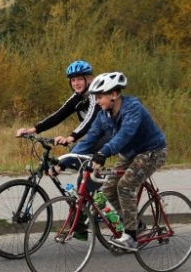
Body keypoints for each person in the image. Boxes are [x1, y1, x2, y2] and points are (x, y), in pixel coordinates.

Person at [68, 72, 167, 252]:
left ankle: (131, 238)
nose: (97, 102)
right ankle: (134, 223)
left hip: (152, 151)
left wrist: (103, 153)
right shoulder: (104, 115)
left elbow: (125, 134)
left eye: (100, 97)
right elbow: (91, 138)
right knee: (107, 190)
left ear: (113, 94)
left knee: (125, 185)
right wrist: (66, 160)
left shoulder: (133, 108)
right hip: (130, 154)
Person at [16, 59, 100, 165]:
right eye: (73, 80)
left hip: (110, 133)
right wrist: (32, 130)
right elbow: (58, 116)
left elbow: (90, 118)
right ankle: (93, 174)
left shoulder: (96, 95)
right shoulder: (77, 97)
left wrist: (71, 137)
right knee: (76, 155)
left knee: (75, 154)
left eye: (80, 79)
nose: (76, 83)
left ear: (89, 79)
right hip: (96, 134)